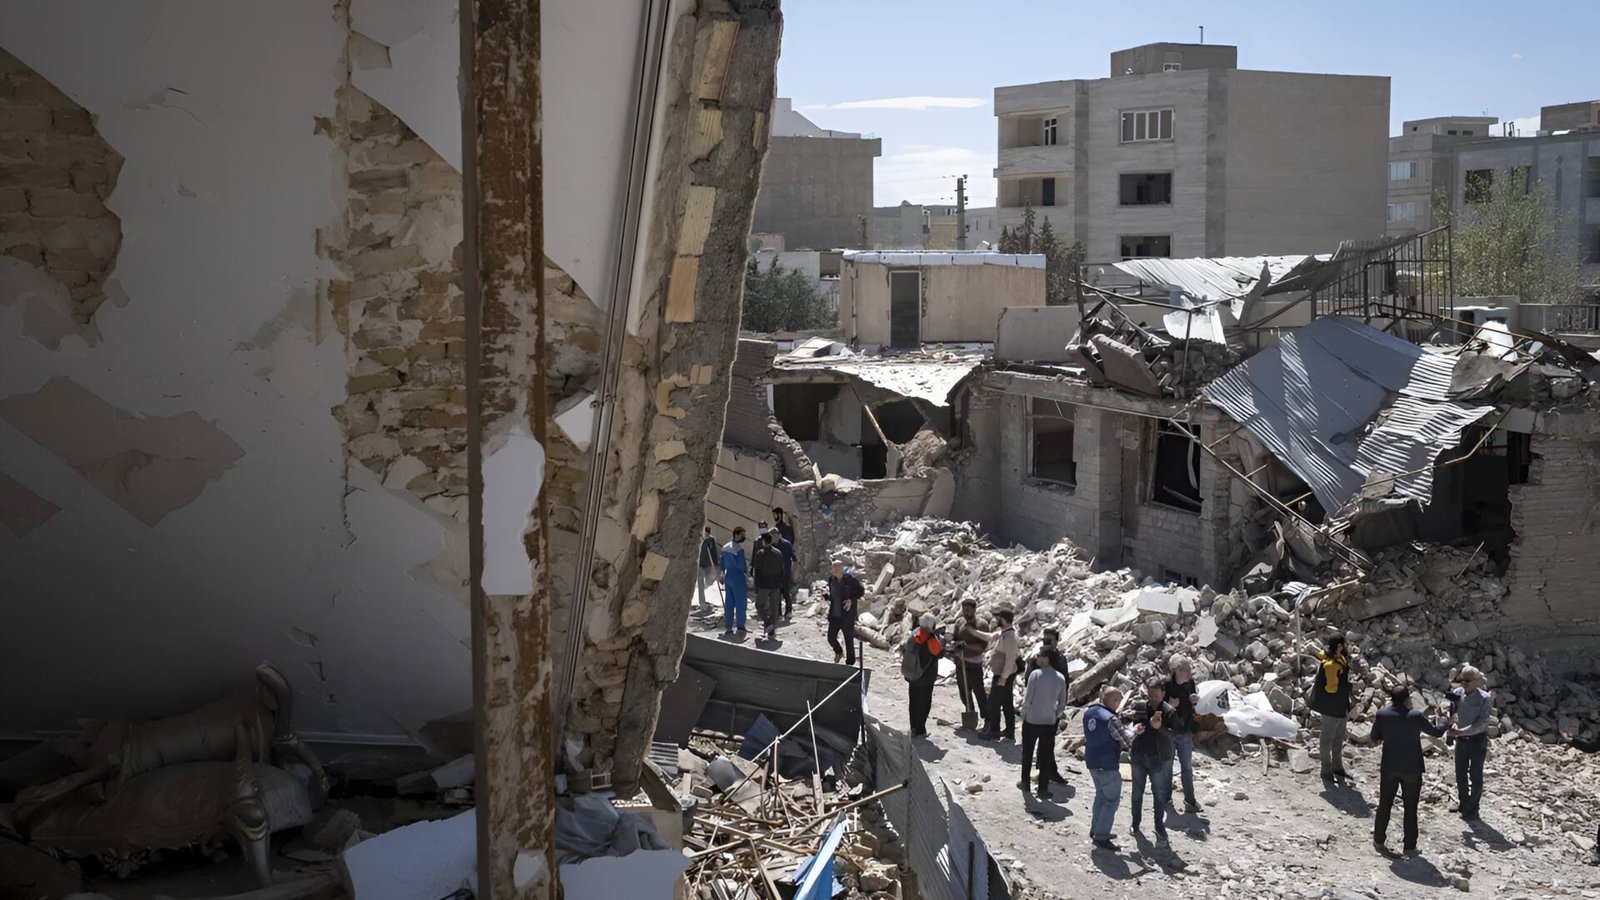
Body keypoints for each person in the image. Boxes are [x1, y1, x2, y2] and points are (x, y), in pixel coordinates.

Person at [1372, 687, 1449, 856]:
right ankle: (1409, 846)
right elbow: (1437, 732)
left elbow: (1374, 736)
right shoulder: (1415, 716)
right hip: (1412, 768)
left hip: (1390, 766)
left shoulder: (1382, 714)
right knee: (1411, 807)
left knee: (1384, 804)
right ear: (1407, 699)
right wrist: (1442, 718)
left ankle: (1378, 840)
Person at [1083, 685, 1141, 851]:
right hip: (1107, 764)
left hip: (1092, 761)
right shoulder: (1111, 720)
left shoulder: (1090, 712)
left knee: (1101, 796)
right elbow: (1127, 740)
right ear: (1114, 700)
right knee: (1111, 800)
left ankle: (1096, 829)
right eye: (1118, 700)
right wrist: (1135, 730)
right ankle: (1102, 835)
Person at [1127, 678, 1176, 846]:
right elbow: (1129, 727)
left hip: (1159, 759)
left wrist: (1159, 728)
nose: (1153, 699)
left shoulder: (1169, 711)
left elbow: (1174, 735)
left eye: (1156, 696)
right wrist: (1135, 728)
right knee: (1137, 793)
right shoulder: (1140, 707)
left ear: (1163, 694)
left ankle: (1159, 827)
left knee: (1159, 795)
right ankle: (1135, 824)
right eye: (1150, 695)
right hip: (1139, 756)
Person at [1018, 645, 1067, 801]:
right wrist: (1055, 715)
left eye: (1040, 656)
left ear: (1046, 659)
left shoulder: (1035, 675)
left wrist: (1024, 714)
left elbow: (1028, 698)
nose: (1037, 658)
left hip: (1032, 720)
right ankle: (1043, 788)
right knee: (1045, 755)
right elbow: (1062, 703)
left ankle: (1025, 782)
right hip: (1049, 722)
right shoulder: (1060, 678)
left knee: (1027, 752)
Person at [1448, 665, 1492, 821]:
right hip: (1462, 739)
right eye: (1462, 680)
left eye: (1468, 681)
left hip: (1477, 740)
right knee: (1460, 773)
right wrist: (1451, 722)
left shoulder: (1484, 698)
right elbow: (1451, 711)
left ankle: (1473, 808)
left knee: (1475, 774)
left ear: (1476, 681)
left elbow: (1482, 723)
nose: (1464, 683)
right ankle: (1463, 803)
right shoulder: (1458, 693)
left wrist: (1461, 731)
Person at [1310, 636, 1354, 780]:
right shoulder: (1331, 665)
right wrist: (1343, 684)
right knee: (1327, 739)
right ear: (1339, 646)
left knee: (1339, 737)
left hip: (1341, 705)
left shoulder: (1339, 658)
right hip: (1332, 706)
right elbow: (1331, 688)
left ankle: (1337, 766)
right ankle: (1326, 770)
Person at [1163, 655, 1201, 812]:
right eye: (1183, 669)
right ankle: (1165, 798)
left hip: (1185, 730)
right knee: (1167, 767)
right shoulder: (1166, 684)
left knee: (1187, 768)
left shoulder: (1190, 683)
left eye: (1188, 669)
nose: (1187, 672)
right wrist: (1168, 705)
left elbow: (1193, 704)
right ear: (1176, 670)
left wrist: (1194, 700)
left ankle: (1190, 801)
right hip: (1169, 731)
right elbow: (1155, 705)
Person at [901, 613, 945, 738]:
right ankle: (920, 730)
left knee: (913, 702)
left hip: (913, 675)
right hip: (926, 678)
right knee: (924, 703)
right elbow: (940, 653)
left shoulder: (915, 634)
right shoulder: (931, 639)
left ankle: (913, 727)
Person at [979, 608, 1018, 741]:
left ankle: (994, 731)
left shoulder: (1010, 636)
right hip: (1003, 674)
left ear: (1004, 620)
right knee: (1007, 703)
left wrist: (1003, 677)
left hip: (1004, 675)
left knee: (994, 703)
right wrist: (972, 631)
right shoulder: (1004, 633)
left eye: (999, 618)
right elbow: (989, 637)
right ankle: (1009, 732)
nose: (996, 620)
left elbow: (1010, 659)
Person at [952, 599, 992, 723]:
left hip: (974, 664)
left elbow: (982, 647)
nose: (966, 612)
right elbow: (955, 639)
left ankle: (987, 717)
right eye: (964, 610)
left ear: (974, 610)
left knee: (979, 692)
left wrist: (966, 646)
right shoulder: (959, 623)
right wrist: (957, 645)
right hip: (961, 663)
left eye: (968, 610)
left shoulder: (982, 625)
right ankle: (970, 712)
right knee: (964, 691)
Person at [750, 526, 785, 641]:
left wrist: (757, 585)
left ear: (764, 542)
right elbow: (782, 570)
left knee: (759, 605)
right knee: (774, 609)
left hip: (764, 584)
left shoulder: (760, 554)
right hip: (775, 584)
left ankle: (767, 622)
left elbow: (758, 571)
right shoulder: (778, 553)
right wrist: (780, 582)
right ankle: (772, 632)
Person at [825, 559, 863, 664]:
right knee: (831, 638)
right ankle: (839, 651)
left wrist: (851, 600)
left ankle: (850, 663)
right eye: (833, 568)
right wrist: (827, 597)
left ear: (841, 569)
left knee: (848, 640)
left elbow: (861, 592)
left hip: (847, 616)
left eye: (836, 568)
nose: (834, 570)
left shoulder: (850, 580)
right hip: (834, 615)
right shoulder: (831, 580)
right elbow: (833, 596)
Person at [718, 527, 749, 637]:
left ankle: (729, 627)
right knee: (740, 603)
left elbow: (721, 564)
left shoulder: (725, 548)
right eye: (742, 534)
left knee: (729, 603)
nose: (744, 537)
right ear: (736, 535)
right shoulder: (739, 549)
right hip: (738, 577)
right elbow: (741, 566)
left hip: (728, 577)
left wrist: (721, 576)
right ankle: (740, 627)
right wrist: (746, 574)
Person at [773, 523, 798, 621]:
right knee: (776, 594)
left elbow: (794, 559)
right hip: (775, 574)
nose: (773, 538)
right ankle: (778, 613)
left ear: (778, 535)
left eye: (774, 536)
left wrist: (794, 572)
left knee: (786, 593)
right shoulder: (771, 545)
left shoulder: (786, 544)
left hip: (786, 573)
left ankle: (788, 611)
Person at [696, 526, 720, 613]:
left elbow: (713, 552)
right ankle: (702, 602)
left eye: (708, 533)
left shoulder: (711, 540)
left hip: (709, 565)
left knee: (709, 583)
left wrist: (716, 564)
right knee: (701, 583)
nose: (706, 535)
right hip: (700, 565)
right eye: (705, 533)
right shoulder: (699, 539)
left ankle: (708, 597)